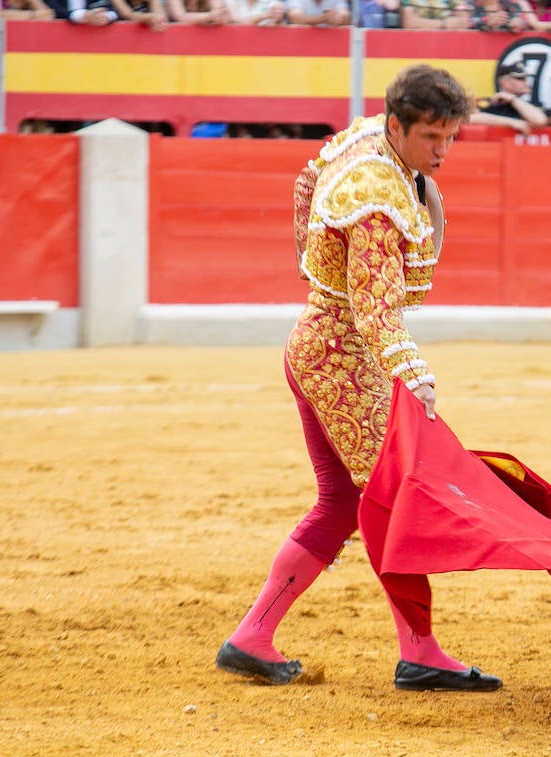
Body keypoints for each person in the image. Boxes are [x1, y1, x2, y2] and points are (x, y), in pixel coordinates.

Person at [216, 65, 503, 693]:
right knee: (396, 500)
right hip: (342, 357)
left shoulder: (371, 139)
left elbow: (305, 183)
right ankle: (421, 651)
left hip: (322, 346)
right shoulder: (376, 192)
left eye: (451, 136)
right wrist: (413, 372)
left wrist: (315, 264)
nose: (442, 150)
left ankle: (251, 637)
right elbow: (375, 306)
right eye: (432, 137)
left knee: (344, 503)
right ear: (398, 125)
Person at [478, 62, 549, 128]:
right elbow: (471, 118)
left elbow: (540, 121)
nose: (526, 82)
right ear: (505, 83)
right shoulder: (491, 105)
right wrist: (511, 122)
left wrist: (513, 99)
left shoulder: (530, 106)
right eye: (520, 78)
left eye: (525, 78)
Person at [401, 0, 475, 29]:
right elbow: (409, 23)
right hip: (416, 42)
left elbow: (463, 21)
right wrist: (444, 24)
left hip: (448, 43)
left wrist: (423, 23)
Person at [285, 0, 349, 23]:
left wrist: (336, 18)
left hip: (330, 43)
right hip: (301, 42)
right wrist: (324, 18)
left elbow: (346, 17)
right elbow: (294, 18)